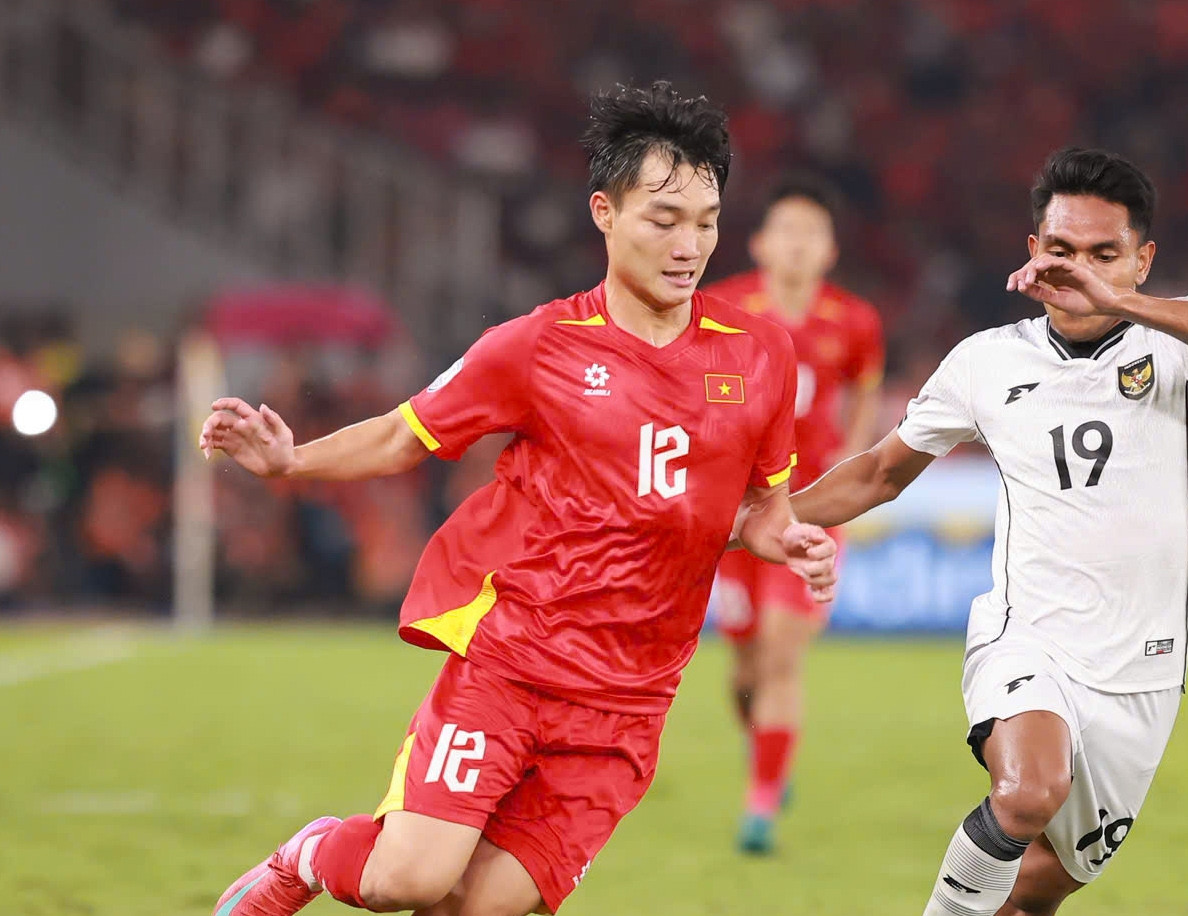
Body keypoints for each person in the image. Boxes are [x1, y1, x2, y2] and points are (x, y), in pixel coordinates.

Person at [201, 81, 837, 916]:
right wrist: (290, 463)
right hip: (513, 662)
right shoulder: (538, 346)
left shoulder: (760, 354)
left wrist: (784, 539)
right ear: (604, 213)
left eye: (707, 221)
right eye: (664, 219)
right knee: (410, 882)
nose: (690, 245)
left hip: (630, 700)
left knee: (476, 907)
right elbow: (406, 433)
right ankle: (306, 856)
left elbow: (758, 511)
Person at [771, 147, 1188, 916]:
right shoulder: (986, 363)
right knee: (1027, 793)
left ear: (1143, 261)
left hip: (1143, 674)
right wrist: (749, 520)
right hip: (1030, 640)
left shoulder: (1186, 347)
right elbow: (878, 474)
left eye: (1104, 255)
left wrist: (1124, 304)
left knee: (1030, 896)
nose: (1078, 269)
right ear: (1032, 254)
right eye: (1062, 250)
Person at [701, 174, 885, 854]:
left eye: (813, 233)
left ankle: (759, 810)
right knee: (745, 668)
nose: (799, 245)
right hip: (734, 513)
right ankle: (767, 753)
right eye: (788, 231)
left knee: (782, 655)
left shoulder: (856, 321)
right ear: (760, 243)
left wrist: (855, 466)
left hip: (808, 508)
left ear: (830, 250)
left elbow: (866, 390)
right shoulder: (721, 308)